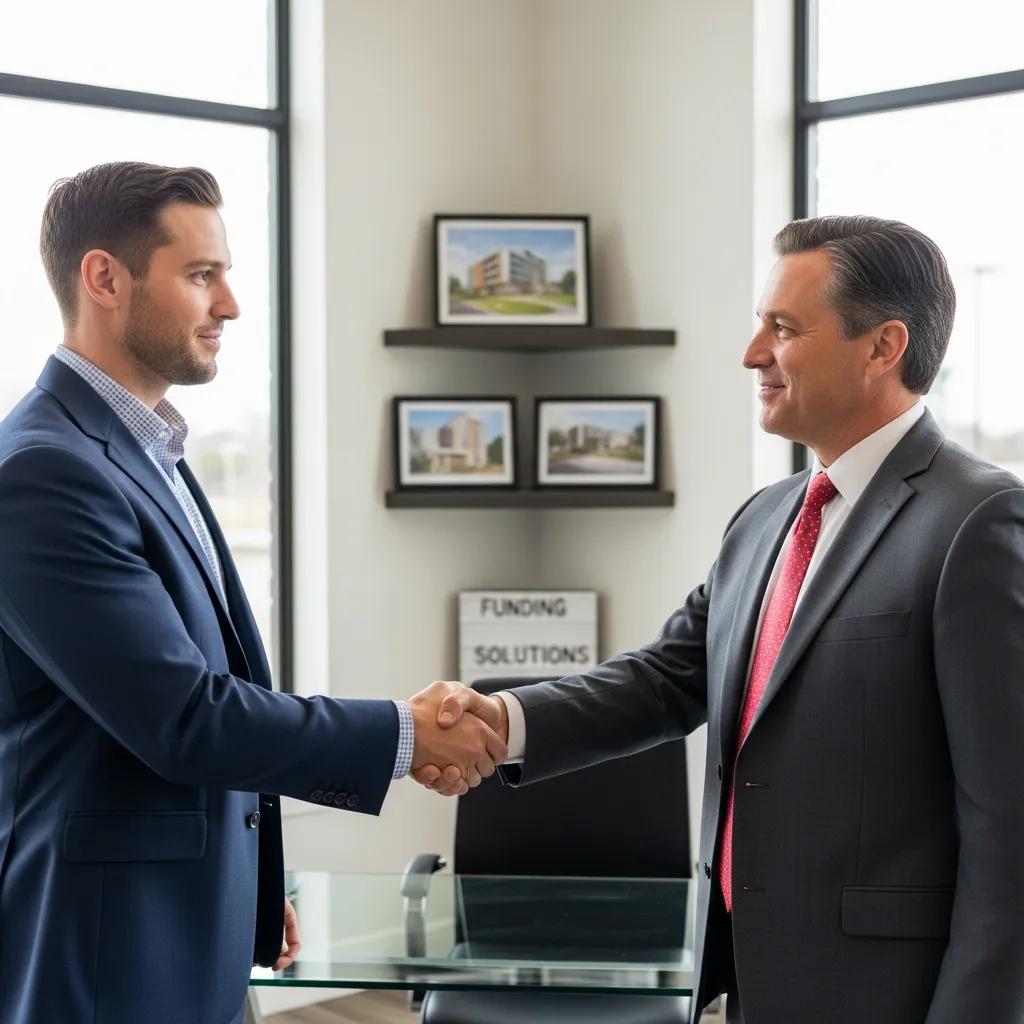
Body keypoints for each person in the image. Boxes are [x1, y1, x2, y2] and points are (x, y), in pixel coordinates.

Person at [415, 215, 1024, 1023]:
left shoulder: (978, 521)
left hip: (890, 995)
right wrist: (501, 718)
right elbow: (667, 680)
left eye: (783, 328)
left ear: (884, 346)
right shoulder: (765, 519)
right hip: (754, 976)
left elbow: (1010, 823)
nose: (752, 353)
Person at [0, 161, 506, 1024]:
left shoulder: (146, 449)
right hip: (103, 955)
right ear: (104, 278)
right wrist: (403, 731)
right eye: (202, 276)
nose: (230, 304)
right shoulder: (46, 471)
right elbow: (185, 717)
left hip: (183, 930)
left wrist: (250, 889)